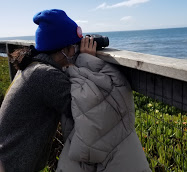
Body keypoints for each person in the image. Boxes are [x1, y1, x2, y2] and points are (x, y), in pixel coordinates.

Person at [0, 9, 83, 172]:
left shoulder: (33, 66)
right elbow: (81, 108)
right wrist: (90, 60)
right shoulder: (44, 74)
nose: (77, 50)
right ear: (63, 50)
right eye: (75, 46)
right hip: (12, 165)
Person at [56, 36, 151, 172]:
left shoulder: (61, 75)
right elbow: (116, 86)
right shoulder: (86, 79)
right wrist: (86, 59)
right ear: (67, 51)